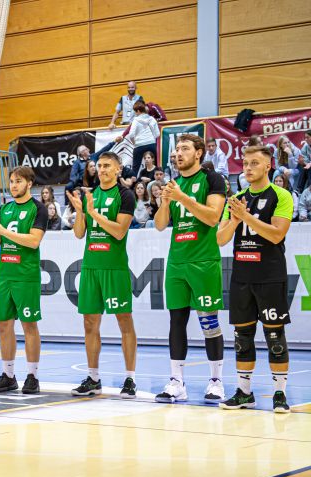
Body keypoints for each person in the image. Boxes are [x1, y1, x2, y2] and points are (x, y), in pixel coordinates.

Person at [216, 145, 293, 413]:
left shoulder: (281, 195)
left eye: (254, 163)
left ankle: (279, 394)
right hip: (241, 276)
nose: (248, 168)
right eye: (246, 163)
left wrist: (246, 216)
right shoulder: (237, 198)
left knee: (275, 336)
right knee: (242, 337)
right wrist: (235, 221)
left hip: (270, 275)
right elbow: (220, 239)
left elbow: (276, 234)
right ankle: (244, 392)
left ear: (268, 166)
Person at [153, 134, 227, 404]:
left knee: (209, 322)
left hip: (203, 261)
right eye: (177, 149)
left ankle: (216, 381)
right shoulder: (174, 184)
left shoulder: (212, 179)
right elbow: (160, 225)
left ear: (198, 153)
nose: (178, 153)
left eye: (184, 148)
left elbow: (212, 217)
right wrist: (165, 201)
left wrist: (182, 197)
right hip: (177, 262)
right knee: (176, 321)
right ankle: (176, 382)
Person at [66, 153, 138, 398]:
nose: (102, 169)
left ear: (118, 169)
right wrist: (81, 212)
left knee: (124, 320)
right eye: (99, 166)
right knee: (89, 323)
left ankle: (130, 378)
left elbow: (119, 232)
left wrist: (94, 213)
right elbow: (79, 234)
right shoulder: (91, 195)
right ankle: (93, 378)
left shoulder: (125, 195)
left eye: (107, 165)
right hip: (91, 267)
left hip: (114, 267)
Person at [0, 165, 47, 394]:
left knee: (29, 325)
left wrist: (2, 230)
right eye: (11, 181)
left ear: (29, 184)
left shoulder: (38, 209)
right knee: (4, 325)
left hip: (25, 275)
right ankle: (8, 375)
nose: (13, 185)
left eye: (18, 181)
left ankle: (33, 376)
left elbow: (33, 241)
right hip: (5, 274)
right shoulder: (4, 208)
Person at [116, 100, 159, 174]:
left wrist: (134, 143)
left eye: (135, 111)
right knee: (156, 166)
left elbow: (131, 134)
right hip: (151, 144)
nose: (135, 113)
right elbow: (157, 134)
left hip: (139, 145)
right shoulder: (152, 119)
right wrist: (151, 139)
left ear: (138, 111)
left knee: (135, 169)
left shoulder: (135, 120)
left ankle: (133, 180)